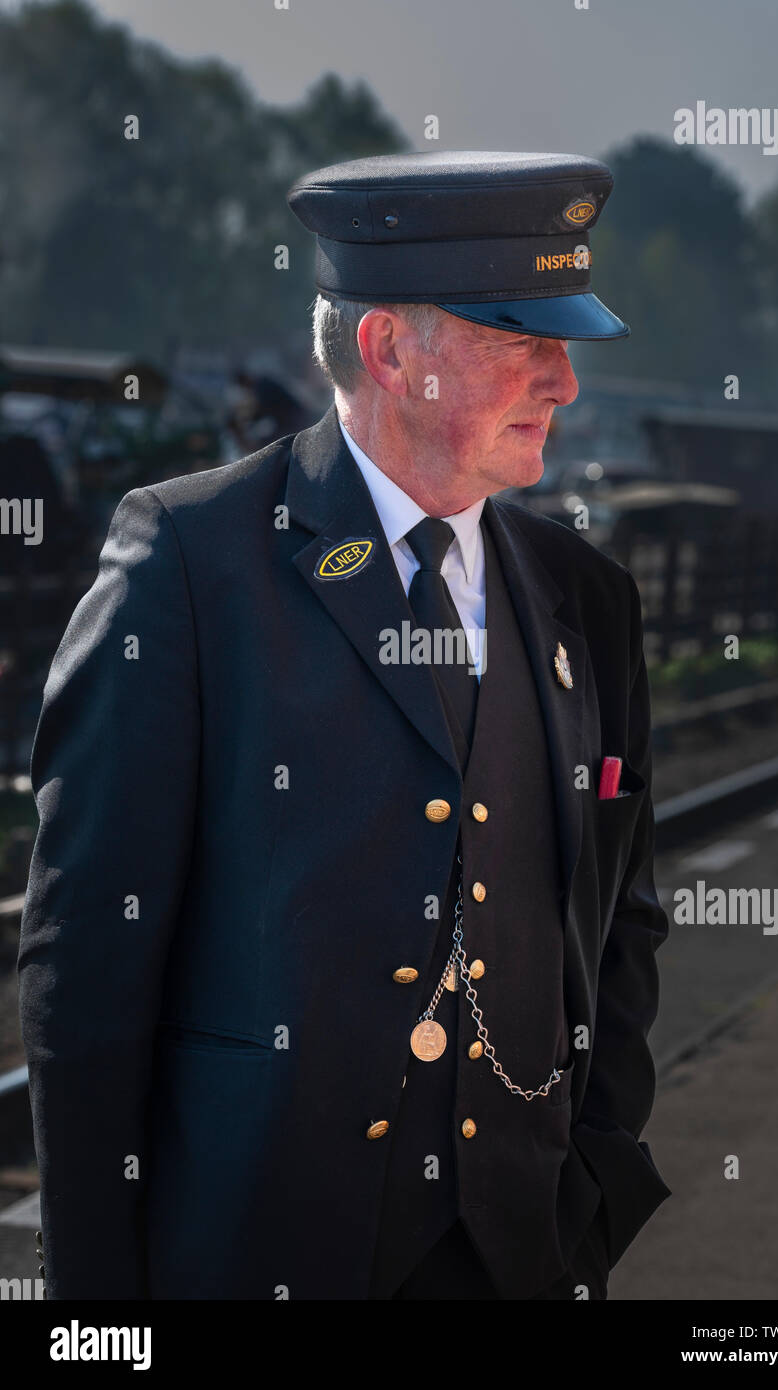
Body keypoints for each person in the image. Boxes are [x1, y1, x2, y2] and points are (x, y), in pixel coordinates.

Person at [18, 150, 671, 1301]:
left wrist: (593, 1183)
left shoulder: (587, 596)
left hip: (523, 1255)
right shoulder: (187, 566)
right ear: (387, 351)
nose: (563, 384)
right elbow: (89, 977)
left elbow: (622, 932)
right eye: (524, 341)